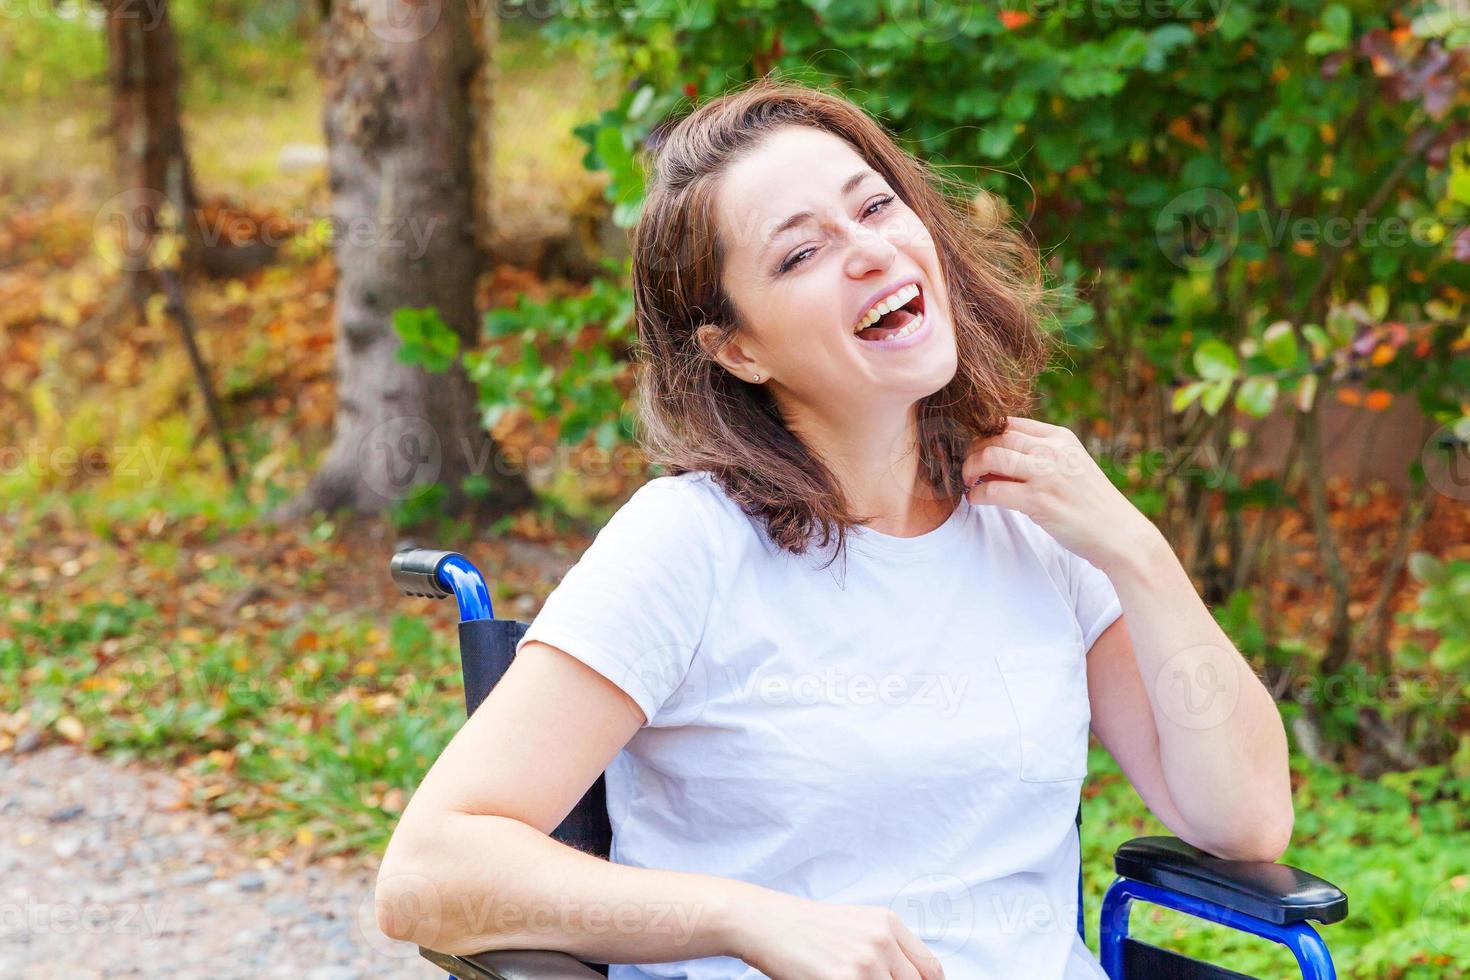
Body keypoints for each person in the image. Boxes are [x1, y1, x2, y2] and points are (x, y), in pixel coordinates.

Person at [375, 77, 1294, 980]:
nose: (870, 252)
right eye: (799, 254)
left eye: (878, 208)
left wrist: (1134, 548)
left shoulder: (1040, 517)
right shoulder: (688, 545)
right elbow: (428, 874)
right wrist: (748, 918)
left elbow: (1244, 824)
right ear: (736, 348)